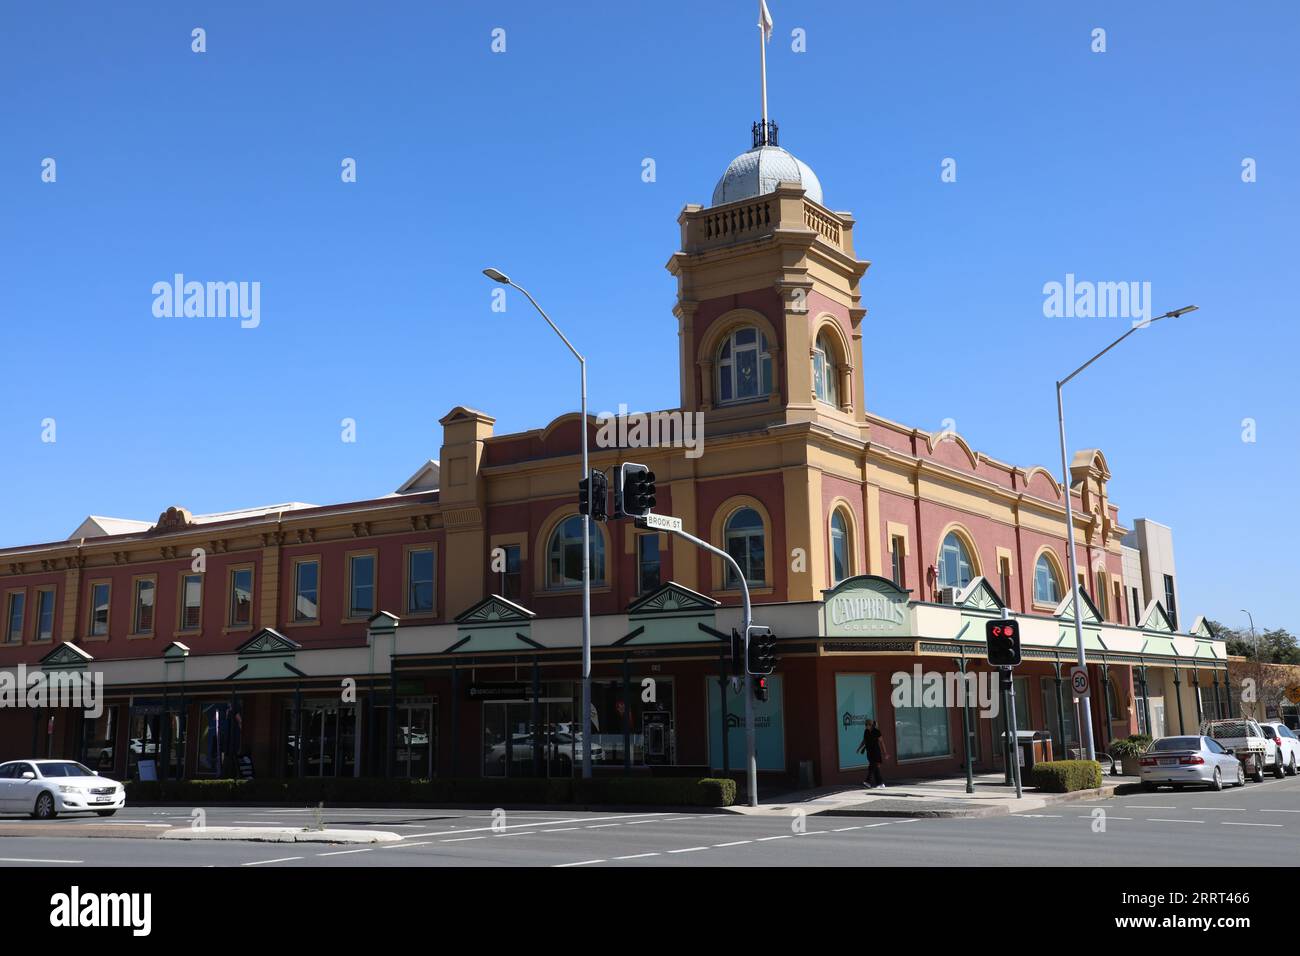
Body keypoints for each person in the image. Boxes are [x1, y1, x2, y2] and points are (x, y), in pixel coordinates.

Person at [856, 719, 888, 788]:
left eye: (867, 725)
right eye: (865, 725)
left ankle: (867, 782)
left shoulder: (877, 732)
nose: (866, 726)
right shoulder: (866, 732)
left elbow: (882, 742)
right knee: (875, 767)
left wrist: (885, 753)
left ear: (871, 725)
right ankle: (880, 783)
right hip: (869, 752)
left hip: (876, 752)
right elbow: (864, 741)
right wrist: (859, 748)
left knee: (871, 766)